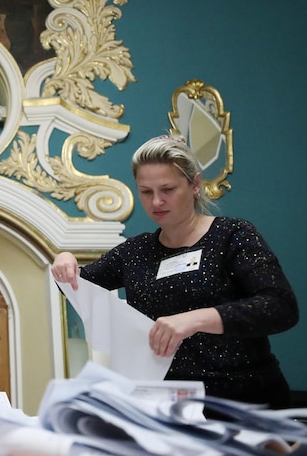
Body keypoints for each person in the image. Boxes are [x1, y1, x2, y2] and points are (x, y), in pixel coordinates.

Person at [51, 135, 298, 408]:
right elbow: (73, 286)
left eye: (167, 189)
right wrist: (64, 260)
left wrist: (195, 320)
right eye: (146, 191)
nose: (157, 201)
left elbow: (280, 306)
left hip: (244, 401)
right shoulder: (134, 252)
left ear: (195, 185)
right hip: (167, 406)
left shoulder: (233, 235)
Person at [0, 0, 48, 71]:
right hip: (20, 21)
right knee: (21, 47)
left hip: (11, 20)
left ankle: (17, 68)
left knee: (21, 45)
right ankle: (14, 70)